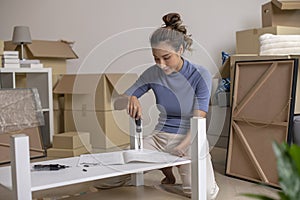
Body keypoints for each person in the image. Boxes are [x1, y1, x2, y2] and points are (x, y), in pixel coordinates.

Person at [115, 12, 219, 199]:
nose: (161, 64)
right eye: (156, 58)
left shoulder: (200, 74)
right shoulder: (152, 73)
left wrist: (182, 147)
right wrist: (130, 98)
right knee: (112, 176)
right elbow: (117, 103)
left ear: (180, 50)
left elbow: (199, 117)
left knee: (205, 193)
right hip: (160, 138)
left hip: (190, 139)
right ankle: (167, 167)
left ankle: (170, 166)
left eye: (166, 57)